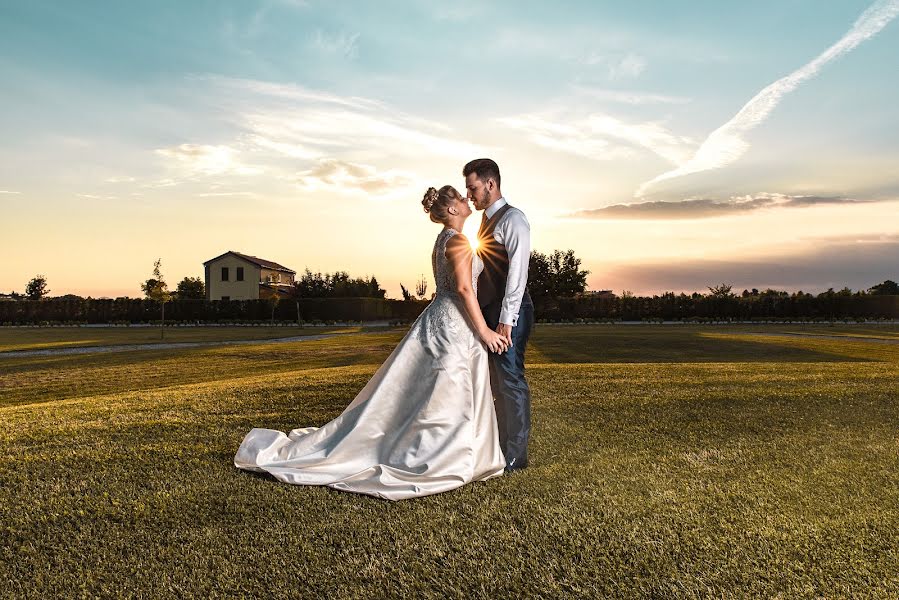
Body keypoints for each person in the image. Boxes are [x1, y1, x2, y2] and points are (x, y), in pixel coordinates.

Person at [234, 185, 509, 500]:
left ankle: (452, 451)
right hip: (454, 323)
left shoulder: (443, 240)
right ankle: (438, 457)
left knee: (432, 393)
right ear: (450, 210)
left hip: (443, 319)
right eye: (460, 198)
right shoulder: (458, 240)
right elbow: (463, 289)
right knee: (445, 391)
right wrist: (486, 331)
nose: (466, 200)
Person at [464, 158, 534, 471]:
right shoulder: (485, 222)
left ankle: (515, 458)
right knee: (496, 384)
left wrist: (507, 321)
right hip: (491, 314)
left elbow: (518, 274)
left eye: (473, 187)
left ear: (491, 185)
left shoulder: (514, 219)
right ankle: (501, 449)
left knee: (511, 381)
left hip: (511, 316)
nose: (469, 194)